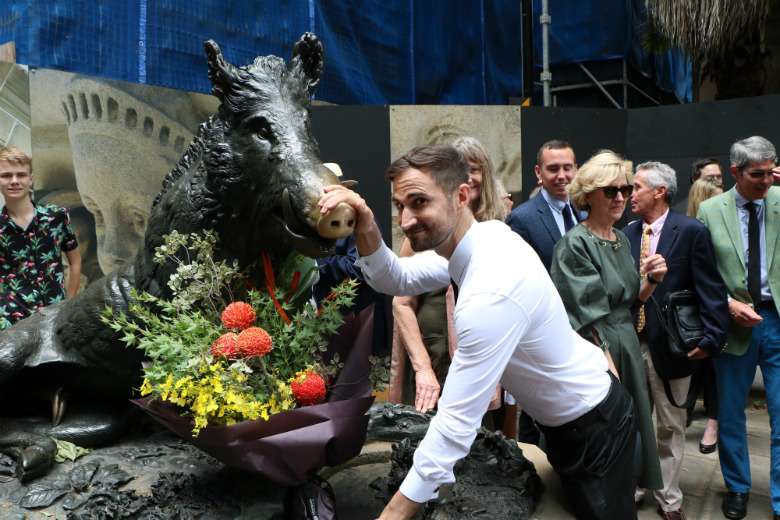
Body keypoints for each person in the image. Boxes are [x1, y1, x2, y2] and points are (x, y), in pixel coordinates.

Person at [320, 144, 640, 520]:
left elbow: (453, 430)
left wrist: (391, 516)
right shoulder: (484, 237)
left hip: (594, 426)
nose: (405, 220)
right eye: (399, 206)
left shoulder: (490, 289)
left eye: (419, 202)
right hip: (575, 418)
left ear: (461, 196)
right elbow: (396, 277)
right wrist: (366, 223)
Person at [549, 150, 665, 494]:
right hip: (599, 351)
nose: (620, 198)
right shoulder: (575, 244)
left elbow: (629, 302)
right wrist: (610, 373)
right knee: (605, 434)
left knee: (631, 436)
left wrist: (653, 280)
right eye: (610, 190)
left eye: (626, 190)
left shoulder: (618, 239)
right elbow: (588, 319)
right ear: (588, 195)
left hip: (625, 343)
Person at [622, 161, 729, 520]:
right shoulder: (627, 232)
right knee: (633, 422)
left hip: (672, 347)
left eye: (635, 187)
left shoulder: (691, 231)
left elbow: (710, 288)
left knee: (671, 424)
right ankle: (635, 488)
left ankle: (669, 499)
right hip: (630, 344)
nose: (628, 194)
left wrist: (713, 338)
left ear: (659, 191)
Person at [696, 136, 780, 520]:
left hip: (777, 321)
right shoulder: (711, 210)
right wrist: (727, 304)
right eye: (757, 174)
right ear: (735, 172)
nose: (766, 181)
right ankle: (738, 488)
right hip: (733, 324)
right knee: (730, 413)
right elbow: (699, 271)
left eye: (771, 171)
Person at [390, 136, 505, 415]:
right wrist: (423, 368)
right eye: (461, 168)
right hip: (433, 353)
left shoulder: (496, 229)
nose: (469, 175)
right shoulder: (423, 229)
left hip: (478, 358)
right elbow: (400, 302)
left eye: (474, 168)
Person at [0, 146, 81, 329]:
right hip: (11, 326)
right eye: (6, 175)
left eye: (21, 175)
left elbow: (75, 261)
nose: (14, 181)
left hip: (54, 319)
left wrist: (69, 305)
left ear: (31, 179)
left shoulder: (57, 216)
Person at [685, 175, 725, 454]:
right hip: (695, 307)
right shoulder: (692, 228)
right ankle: (687, 409)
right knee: (696, 363)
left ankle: (713, 422)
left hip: (721, 305)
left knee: (715, 368)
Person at [507, 139, 583, 272]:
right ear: (538, 172)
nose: (561, 176)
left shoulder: (585, 211)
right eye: (553, 169)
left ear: (576, 170)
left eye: (567, 168)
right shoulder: (521, 219)